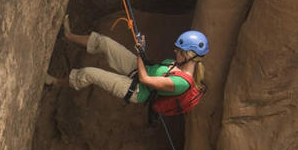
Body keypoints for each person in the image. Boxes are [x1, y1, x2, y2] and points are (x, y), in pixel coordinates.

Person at [46, 16, 209, 110]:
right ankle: (68, 36)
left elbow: (145, 80)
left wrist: (139, 53)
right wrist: (142, 52)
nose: (175, 52)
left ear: (188, 56)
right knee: (105, 42)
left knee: (89, 73)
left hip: (136, 90)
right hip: (139, 69)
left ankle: (54, 83)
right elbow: (153, 70)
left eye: (179, 51)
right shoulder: (179, 64)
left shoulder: (181, 83)